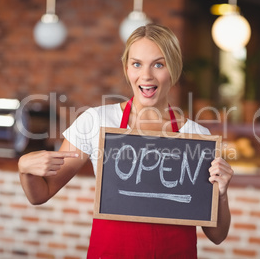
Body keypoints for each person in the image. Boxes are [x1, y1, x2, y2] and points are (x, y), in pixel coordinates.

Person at [18, 23, 234, 258]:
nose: (146, 75)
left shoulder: (198, 137)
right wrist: (25, 169)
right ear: (126, 68)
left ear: (174, 69)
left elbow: (217, 235)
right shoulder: (96, 121)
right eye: (137, 64)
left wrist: (221, 193)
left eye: (159, 64)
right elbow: (40, 194)